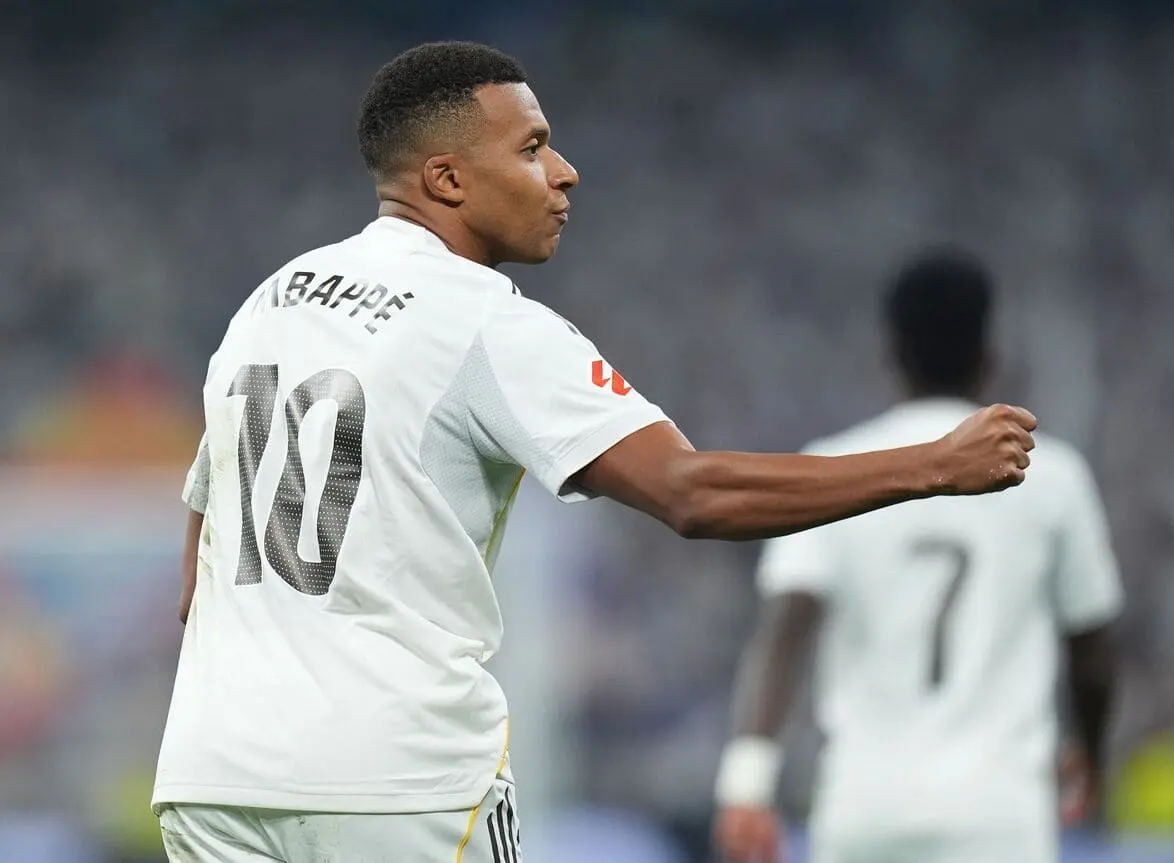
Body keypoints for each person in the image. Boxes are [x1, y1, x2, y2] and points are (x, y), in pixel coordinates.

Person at [152, 43, 1038, 862]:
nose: (565, 173)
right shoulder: (485, 321)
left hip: (213, 772)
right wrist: (934, 464)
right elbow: (691, 492)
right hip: (394, 777)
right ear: (448, 178)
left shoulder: (271, 300)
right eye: (533, 148)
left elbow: (200, 563)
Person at [713, 249, 1122, 863]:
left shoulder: (830, 467)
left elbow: (784, 632)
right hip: (999, 810)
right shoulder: (1052, 476)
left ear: (892, 353)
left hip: (865, 805)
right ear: (990, 354)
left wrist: (747, 782)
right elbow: (1091, 652)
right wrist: (1090, 753)